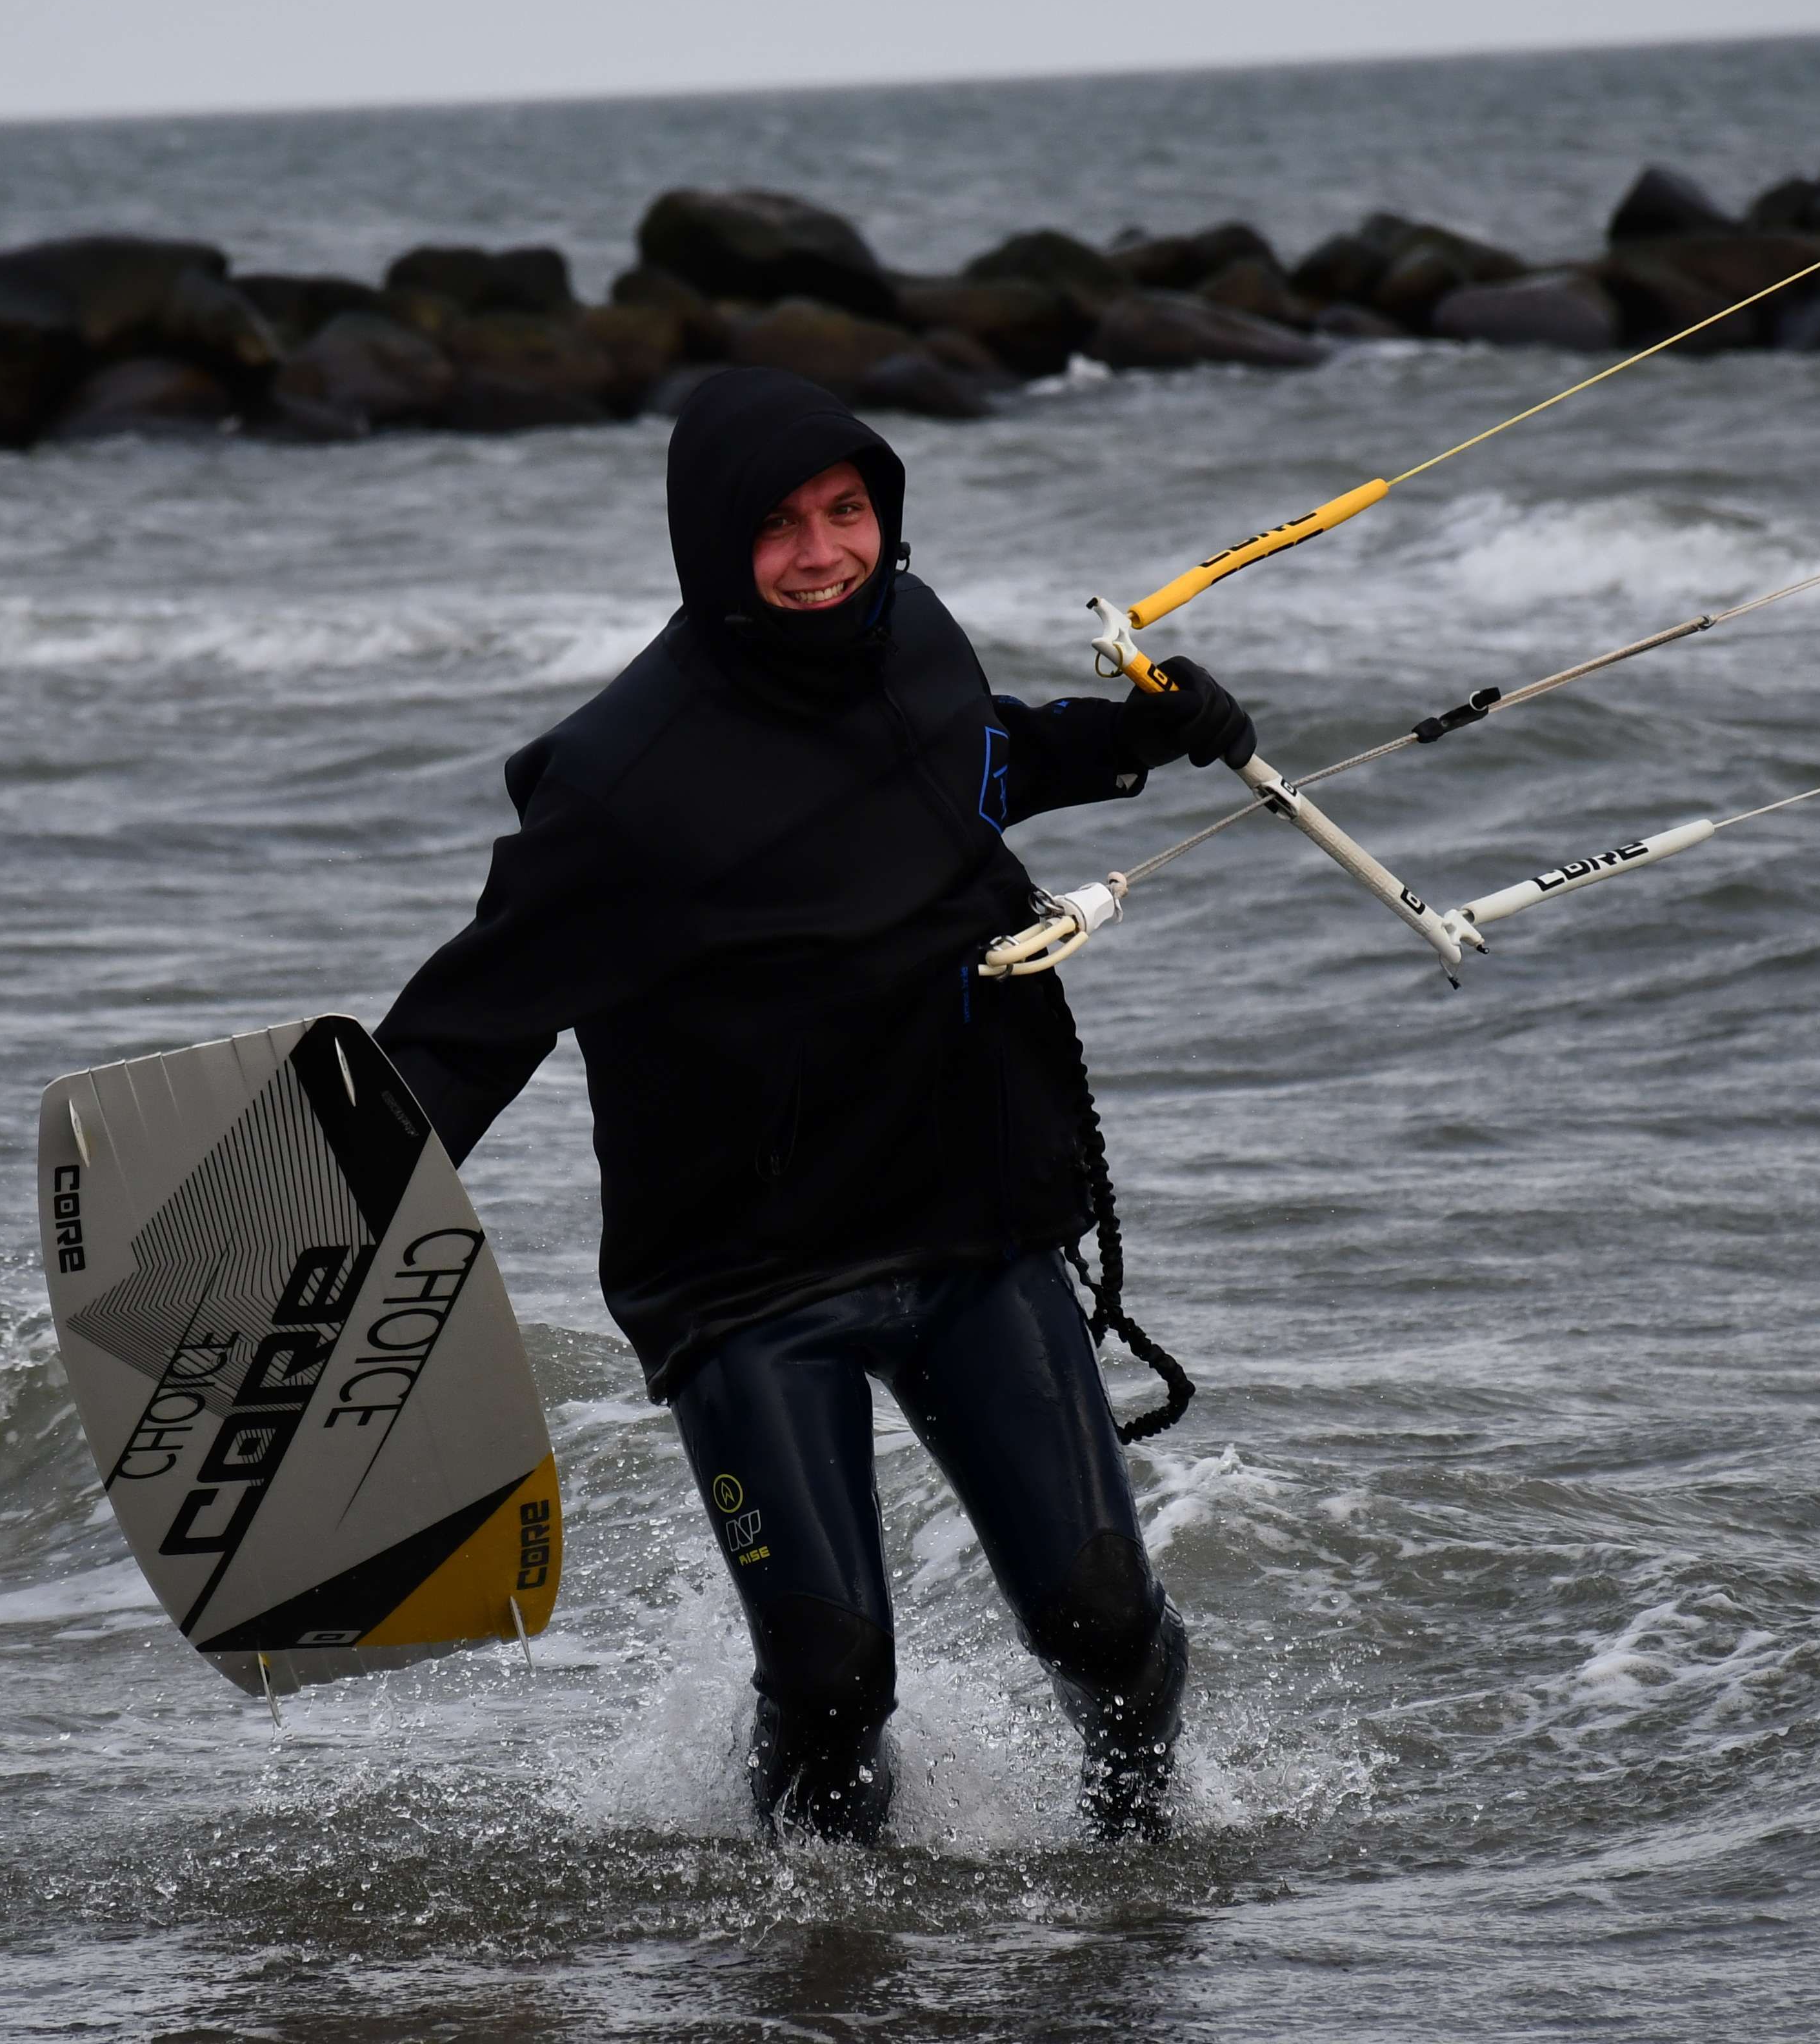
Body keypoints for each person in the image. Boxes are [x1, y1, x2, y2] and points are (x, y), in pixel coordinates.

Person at [376, 367, 1255, 1843]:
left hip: (966, 1218)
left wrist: (1128, 739)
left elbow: (968, 764)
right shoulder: (616, 782)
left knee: (1105, 1620)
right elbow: (469, 1027)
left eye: (849, 512)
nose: (825, 552)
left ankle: (1143, 1860)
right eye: (780, 525)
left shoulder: (910, 636)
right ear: (713, 543)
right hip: (745, 1278)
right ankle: (813, 1963)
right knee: (836, 1677)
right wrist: (324, 1215)